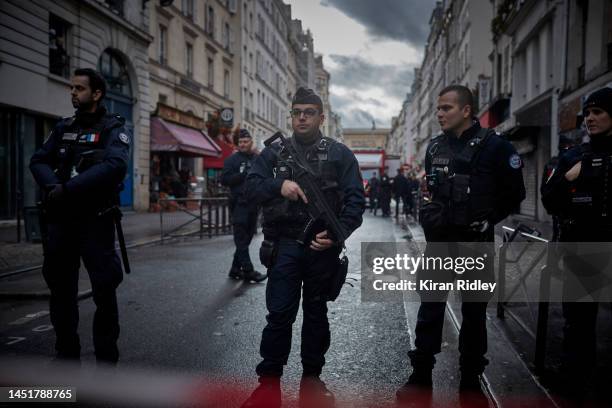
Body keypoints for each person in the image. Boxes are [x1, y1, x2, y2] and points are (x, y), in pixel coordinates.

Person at [397, 85, 525, 400]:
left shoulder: (496, 147)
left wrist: (489, 217)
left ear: (466, 111)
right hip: (439, 243)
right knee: (429, 311)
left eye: (446, 108)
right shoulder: (435, 147)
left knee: (473, 315)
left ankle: (470, 380)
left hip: (474, 243)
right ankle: (421, 375)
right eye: (438, 108)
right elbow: (433, 189)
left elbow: (515, 193)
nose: (439, 114)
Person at [241, 87, 365, 408]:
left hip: (320, 248)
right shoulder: (273, 154)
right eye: (297, 112)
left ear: (321, 117)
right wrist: (278, 185)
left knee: (315, 313)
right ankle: (268, 386)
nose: (301, 118)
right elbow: (250, 186)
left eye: (309, 112)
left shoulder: (339, 154)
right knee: (279, 315)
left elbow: (355, 201)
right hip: (284, 245)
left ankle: (312, 380)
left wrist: (337, 236)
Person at [29, 68, 130, 364]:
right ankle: (66, 353)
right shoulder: (64, 126)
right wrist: (52, 186)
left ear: (96, 94)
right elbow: (38, 160)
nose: (72, 92)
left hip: (95, 221)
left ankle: (106, 356)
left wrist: (69, 189)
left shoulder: (113, 128)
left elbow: (115, 165)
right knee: (61, 290)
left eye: (79, 89)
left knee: (104, 290)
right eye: (71, 88)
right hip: (61, 222)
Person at [541, 87, 612, 397]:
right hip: (582, 247)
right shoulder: (573, 155)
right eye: (587, 114)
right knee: (579, 321)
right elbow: (548, 199)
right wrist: (568, 178)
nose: (590, 119)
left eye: (598, 112)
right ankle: (574, 376)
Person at [221, 129, 266, 282]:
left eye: (246, 142)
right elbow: (224, 179)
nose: (243, 144)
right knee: (241, 239)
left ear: (251, 142)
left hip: (254, 205)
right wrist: (241, 175)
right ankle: (248, 270)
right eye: (240, 142)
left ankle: (235, 269)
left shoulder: (257, 159)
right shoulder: (232, 160)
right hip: (239, 204)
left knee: (246, 239)